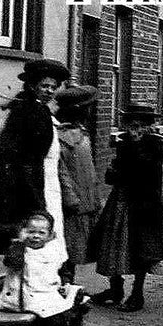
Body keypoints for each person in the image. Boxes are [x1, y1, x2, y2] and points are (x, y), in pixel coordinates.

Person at [88, 105, 163, 313]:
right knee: (111, 244)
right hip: (121, 200)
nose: (133, 131)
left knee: (141, 248)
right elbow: (111, 176)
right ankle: (115, 289)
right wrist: (120, 171)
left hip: (145, 204)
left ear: (148, 127)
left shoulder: (156, 145)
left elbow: (143, 174)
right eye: (130, 126)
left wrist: (123, 170)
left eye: (139, 127)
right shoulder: (124, 145)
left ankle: (137, 294)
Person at [0, 59, 71, 257]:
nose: (49, 91)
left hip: (44, 176)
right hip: (29, 180)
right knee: (35, 228)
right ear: (33, 85)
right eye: (44, 86)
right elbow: (24, 156)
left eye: (53, 87)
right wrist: (34, 196)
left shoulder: (37, 109)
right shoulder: (29, 112)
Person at [0, 210, 89, 326]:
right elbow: (12, 262)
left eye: (41, 233)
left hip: (46, 292)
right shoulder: (19, 250)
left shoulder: (52, 252)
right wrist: (19, 242)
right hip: (24, 296)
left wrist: (65, 283)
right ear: (24, 232)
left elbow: (62, 270)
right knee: (56, 311)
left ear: (50, 236)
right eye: (31, 232)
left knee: (78, 297)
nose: (35, 236)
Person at [54, 86, 101, 285]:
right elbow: (61, 170)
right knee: (68, 248)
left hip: (86, 201)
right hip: (71, 204)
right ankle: (65, 286)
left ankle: (69, 285)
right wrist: (71, 198)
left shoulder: (81, 132)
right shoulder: (62, 136)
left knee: (78, 248)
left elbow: (88, 169)